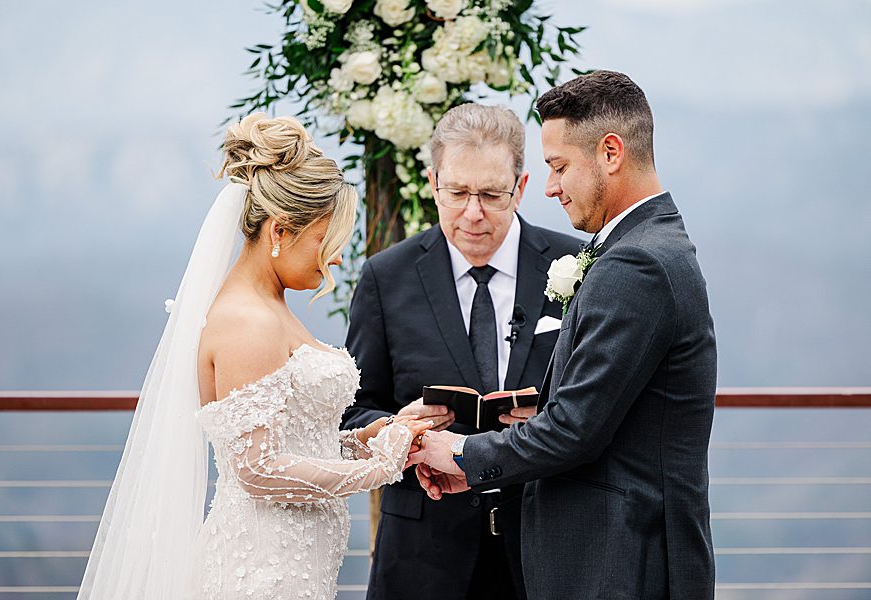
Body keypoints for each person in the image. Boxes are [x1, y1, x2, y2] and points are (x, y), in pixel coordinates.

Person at [78, 114, 431, 600]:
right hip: (263, 572)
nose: (334, 260)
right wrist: (379, 469)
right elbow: (258, 469)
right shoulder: (248, 321)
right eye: (324, 242)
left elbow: (288, 437)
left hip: (293, 567)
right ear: (280, 232)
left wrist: (361, 441)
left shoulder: (269, 305)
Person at [411, 71, 717, 600]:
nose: (550, 186)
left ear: (611, 153)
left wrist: (462, 454)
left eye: (558, 167)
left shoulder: (637, 263)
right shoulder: (644, 246)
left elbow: (574, 430)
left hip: (623, 563)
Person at [341, 104, 583, 600]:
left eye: (492, 195)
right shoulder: (386, 278)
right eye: (457, 193)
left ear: (520, 187)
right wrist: (398, 430)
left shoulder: (575, 265)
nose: (473, 212)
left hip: (545, 545)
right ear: (433, 183)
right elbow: (351, 413)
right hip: (422, 555)